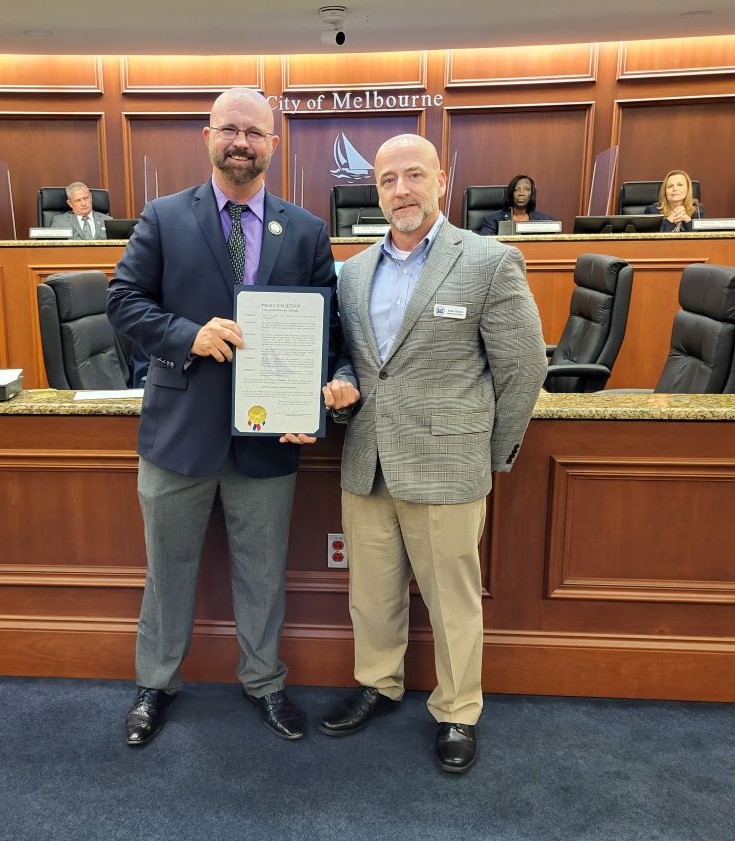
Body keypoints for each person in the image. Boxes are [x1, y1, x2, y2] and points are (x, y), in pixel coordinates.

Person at [106, 87, 351, 747]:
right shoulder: (163, 217)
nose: (242, 142)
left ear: (273, 144)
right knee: (168, 568)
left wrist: (318, 397)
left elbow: (329, 332)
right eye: (230, 130)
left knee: (264, 571)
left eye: (255, 132)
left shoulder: (304, 229)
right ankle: (155, 682)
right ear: (208, 137)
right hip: (178, 437)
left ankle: (265, 681)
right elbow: (124, 302)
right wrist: (187, 334)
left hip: (269, 438)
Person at [318, 134, 547, 774]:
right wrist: (341, 394)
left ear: (441, 180)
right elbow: (354, 360)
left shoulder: (488, 261)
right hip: (368, 459)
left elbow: (523, 369)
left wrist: (487, 456)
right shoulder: (354, 270)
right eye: (388, 180)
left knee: (451, 598)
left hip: (450, 464)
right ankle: (379, 681)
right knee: (371, 592)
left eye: (413, 175)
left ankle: (457, 710)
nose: (401, 191)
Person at [477, 174, 554, 235]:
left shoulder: (545, 220)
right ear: (511, 193)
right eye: (517, 189)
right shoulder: (492, 219)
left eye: (526, 189)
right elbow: (485, 245)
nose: (521, 193)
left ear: (532, 194)